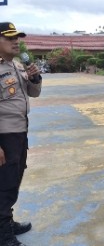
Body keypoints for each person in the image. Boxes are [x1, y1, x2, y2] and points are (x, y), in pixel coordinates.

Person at [0, 22, 42, 246]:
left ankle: (8, 221)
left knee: (14, 179)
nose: (16, 41)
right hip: (4, 136)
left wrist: (35, 78)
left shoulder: (16, 65)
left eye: (17, 37)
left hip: (20, 132)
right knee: (4, 184)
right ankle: (3, 236)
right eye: (9, 37)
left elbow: (32, 94)